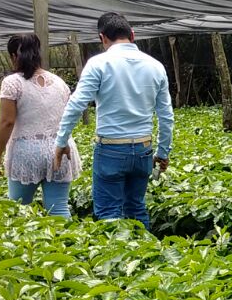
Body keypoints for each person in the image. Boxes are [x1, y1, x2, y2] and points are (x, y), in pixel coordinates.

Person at [54, 12, 172, 229]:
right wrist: (163, 152)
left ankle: (115, 259)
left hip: (110, 150)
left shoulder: (98, 63)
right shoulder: (156, 66)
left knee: (109, 213)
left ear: (102, 38)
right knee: (137, 208)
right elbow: (166, 116)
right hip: (143, 149)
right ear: (132, 35)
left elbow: (77, 104)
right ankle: (147, 258)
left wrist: (61, 142)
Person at [0, 33, 81, 217]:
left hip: (27, 153)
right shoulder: (59, 82)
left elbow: (7, 122)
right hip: (60, 148)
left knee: (19, 208)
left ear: (14, 56)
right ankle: (68, 244)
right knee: (59, 208)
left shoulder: (12, 83)